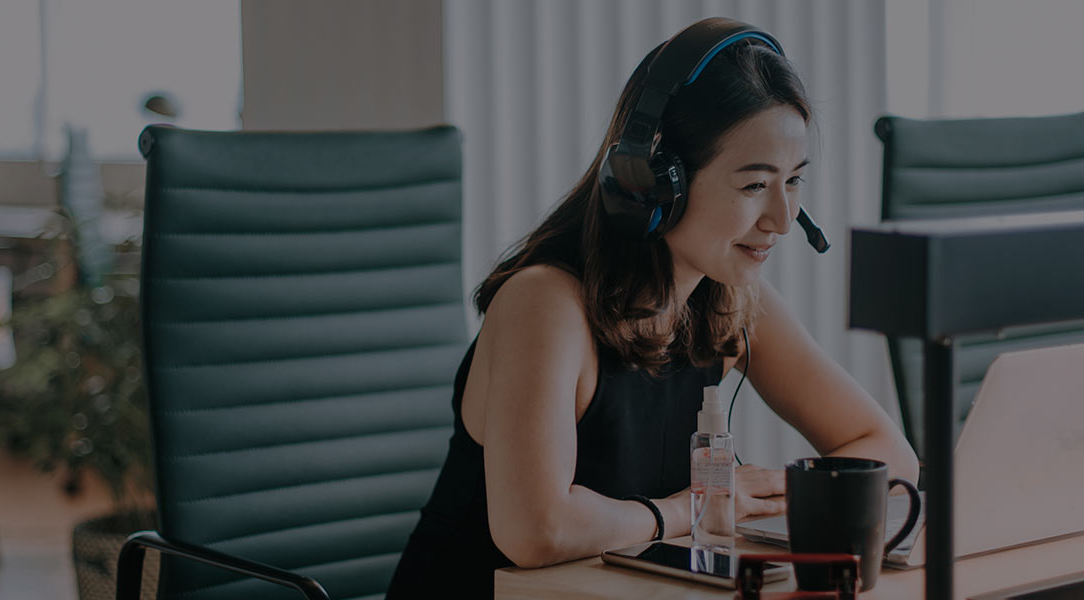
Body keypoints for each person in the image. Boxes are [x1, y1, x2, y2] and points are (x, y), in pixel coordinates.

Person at [386, 17, 917, 598]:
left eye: (793, 182)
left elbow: (889, 453)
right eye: (753, 186)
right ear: (658, 182)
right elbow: (537, 530)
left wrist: (778, 496)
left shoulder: (730, 299)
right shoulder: (545, 303)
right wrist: (699, 506)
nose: (783, 220)